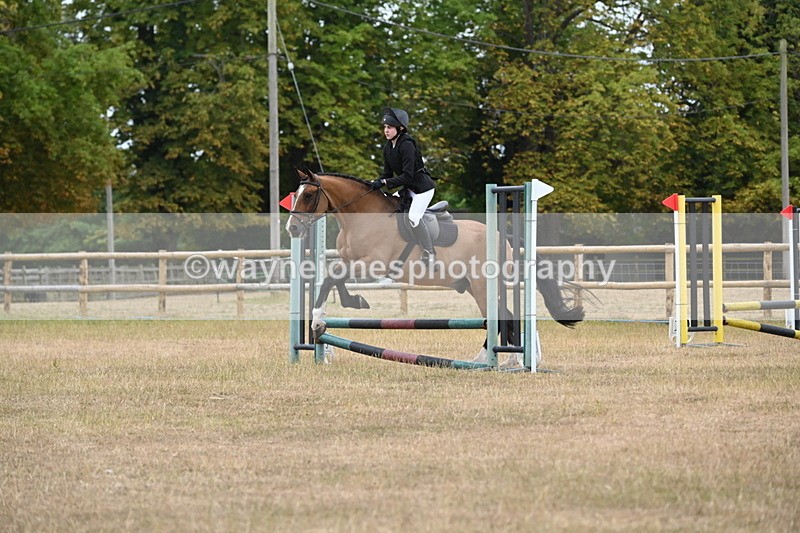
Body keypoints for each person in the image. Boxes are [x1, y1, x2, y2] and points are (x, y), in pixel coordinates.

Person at [370, 107, 437, 268]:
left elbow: (407, 175)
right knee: (389, 212)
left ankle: (430, 252)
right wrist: (373, 183)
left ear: (399, 128)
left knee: (413, 217)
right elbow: (387, 173)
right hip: (408, 188)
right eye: (385, 127)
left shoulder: (407, 145)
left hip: (422, 189)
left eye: (389, 127)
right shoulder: (388, 147)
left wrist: (385, 183)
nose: (386, 130)